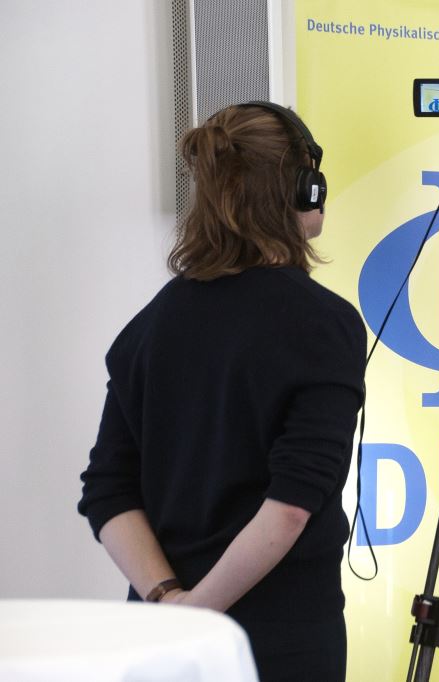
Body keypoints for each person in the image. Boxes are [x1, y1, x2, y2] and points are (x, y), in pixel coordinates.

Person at [78, 102, 366, 681]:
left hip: (157, 638)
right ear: (302, 188)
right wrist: (199, 613)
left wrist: (168, 600)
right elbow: (290, 507)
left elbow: (108, 489)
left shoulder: (149, 325)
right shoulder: (325, 324)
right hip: (279, 640)